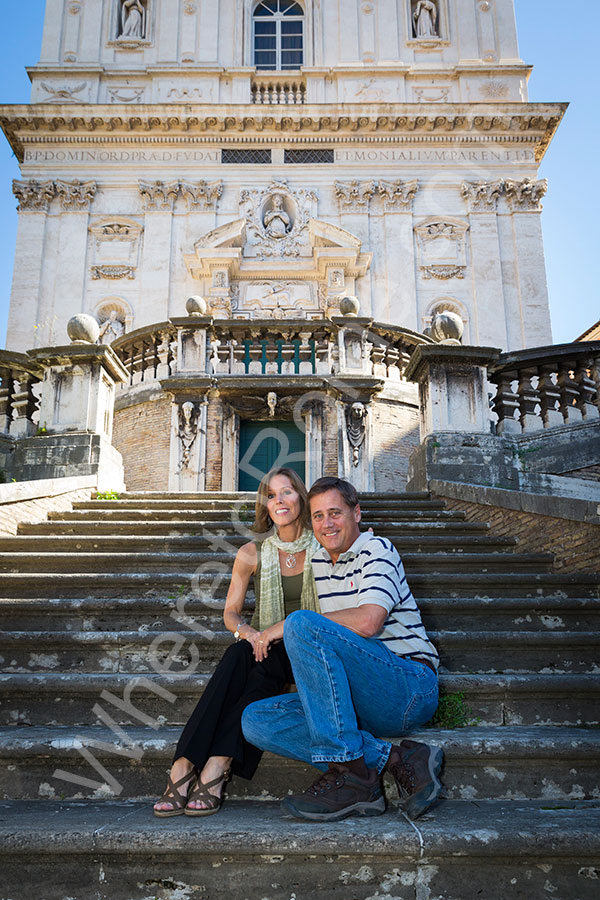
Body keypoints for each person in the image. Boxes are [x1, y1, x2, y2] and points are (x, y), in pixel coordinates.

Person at [242, 476, 443, 822]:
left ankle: (354, 778)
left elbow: (368, 622)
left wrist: (283, 627)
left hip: (407, 686)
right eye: (318, 516)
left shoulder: (377, 550)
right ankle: (394, 760)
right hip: (355, 696)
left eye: (335, 513)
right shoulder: (318, 562)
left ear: (357, 513)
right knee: (256, 720)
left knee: (302, 623)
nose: (326, 523)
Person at [153, 467, 319, 817]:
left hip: (312, 644)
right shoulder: (252, 552)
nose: (279, 501)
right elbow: (231, 613)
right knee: (242, 656)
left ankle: (208, 767)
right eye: (271, 495)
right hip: (265, 646)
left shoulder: (324, 542)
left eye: (287, 492)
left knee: (259, 665)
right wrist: (251, 633)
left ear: (301, 498)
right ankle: (192, 764)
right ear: (265, 505)